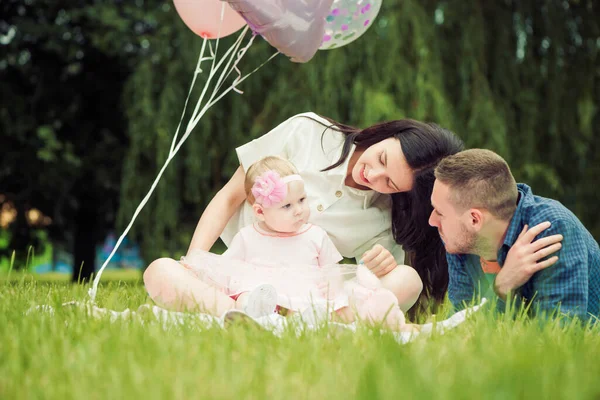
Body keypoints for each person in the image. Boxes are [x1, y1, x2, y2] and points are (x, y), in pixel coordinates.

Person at [144, 112, 465, 315]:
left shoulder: (383, 216)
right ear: (387, 134)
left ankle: (288, 320)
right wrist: (195, 262)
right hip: (240, 279)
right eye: (381, 158)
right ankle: (239, 312)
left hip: (309, 296)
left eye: (390, 182)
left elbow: (374, 280)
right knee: (160, 272)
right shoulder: (308, 132)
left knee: (407, 280)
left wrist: (381, 266)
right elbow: (230, 197)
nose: (374, 175)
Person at [173, 156, 409, 329]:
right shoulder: (247, 237)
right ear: (260, 211)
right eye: (287, 206)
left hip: (304, 295)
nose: (299, 211)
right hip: (263, 292)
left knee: (340, 307)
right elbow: (227, 269)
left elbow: (332, 270)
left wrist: (333, 285)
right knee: (247, 299)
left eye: (302, 200)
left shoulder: (315, 235)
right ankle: (262, 320)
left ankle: (302, 322)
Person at [428, 149, 600, 320]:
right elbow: (463, 326)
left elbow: (558, 334)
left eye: (439, 212)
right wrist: (502, 286)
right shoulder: (459, 242)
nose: (432, 220)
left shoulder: (550, 230)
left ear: (475, 219)